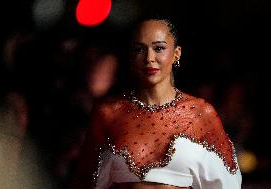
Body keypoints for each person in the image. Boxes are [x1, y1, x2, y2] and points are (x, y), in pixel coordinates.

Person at [68, 17, 242, 189]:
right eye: (139, 49)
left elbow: (227, 183)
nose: (149, 58)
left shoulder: (199, 113)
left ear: (176, 54)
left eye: (159, 48)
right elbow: (84, 181)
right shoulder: (109, 113)